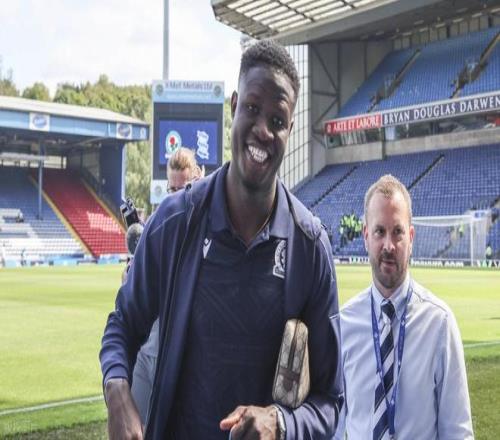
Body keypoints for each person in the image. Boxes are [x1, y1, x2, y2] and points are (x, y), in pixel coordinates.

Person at [100, 39, 342, 440]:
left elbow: (330, 400)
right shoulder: (174, 223)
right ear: (233, 106)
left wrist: (280, 423)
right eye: (252, 108)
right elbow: (122, 325)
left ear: (290, 130)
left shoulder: (309, 247)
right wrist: (117, 392)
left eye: (277, 120)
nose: (263, 130)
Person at [334, 175, 473, 440]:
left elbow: (457, 432)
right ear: (366, 236)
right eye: (379, 231)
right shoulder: (343, 324)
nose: (388, 245)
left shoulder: (439, 324)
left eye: (397, 232)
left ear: (410, 237)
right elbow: (333, 428)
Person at [128, 146, 203, 425]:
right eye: (171, 190)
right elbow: (132, 299)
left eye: (183, 189)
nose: (176, 197)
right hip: (146, 350)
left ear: (198, 178)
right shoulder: (158, 226)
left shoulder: (211, 229)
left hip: (177, 360)